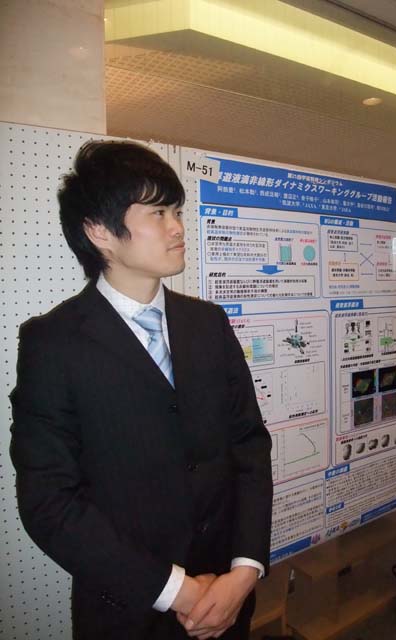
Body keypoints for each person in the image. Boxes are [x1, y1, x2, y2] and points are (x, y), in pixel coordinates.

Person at [10, 140, 273, 640]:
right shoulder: (54, 343)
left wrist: (245, 569)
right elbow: (49, 502)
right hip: (129, 610)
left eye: (177, 211)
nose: (177, 227)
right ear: (100, 232)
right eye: (158, 213)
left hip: (228, 597)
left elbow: (249, 447)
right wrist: (179, 591)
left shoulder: (207, 324)